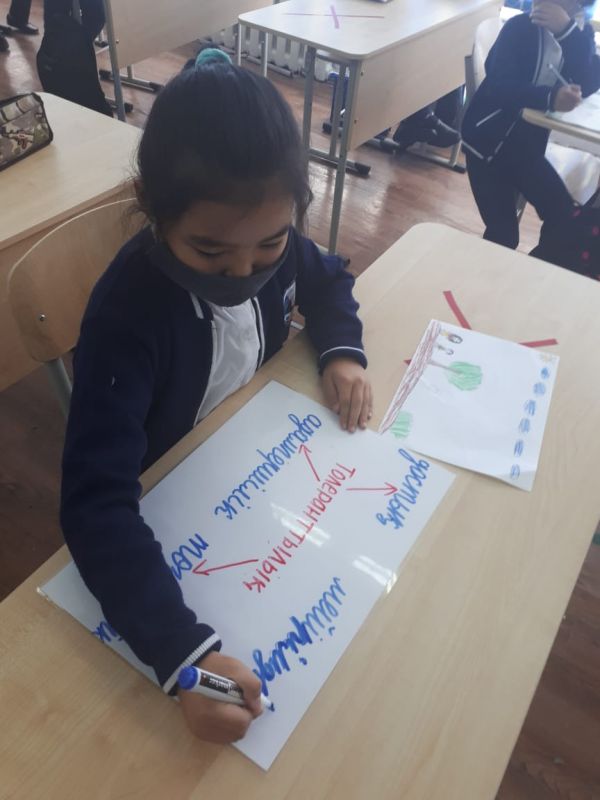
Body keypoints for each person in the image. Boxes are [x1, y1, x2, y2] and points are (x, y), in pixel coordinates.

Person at [60, 49, 372, 745]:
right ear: (152, 208)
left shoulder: (271, 241)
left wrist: (342, 350)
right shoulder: (125, 317)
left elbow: (327, 280)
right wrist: (182, 653)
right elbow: (93, 504)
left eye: (269, 246)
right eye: (210, 253)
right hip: (172, 501)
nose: (244, 271)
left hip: (257, 474)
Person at [462, 0, 600, 268]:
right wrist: (550, 98)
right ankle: (484, 281)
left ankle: (533, 273)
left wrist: (568, 33)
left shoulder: (577, 32)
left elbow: (589, 79)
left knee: (564, 217)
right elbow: (500, 86)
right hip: (488, 146)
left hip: (525, 148)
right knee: (503, 234)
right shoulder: (519, 28)